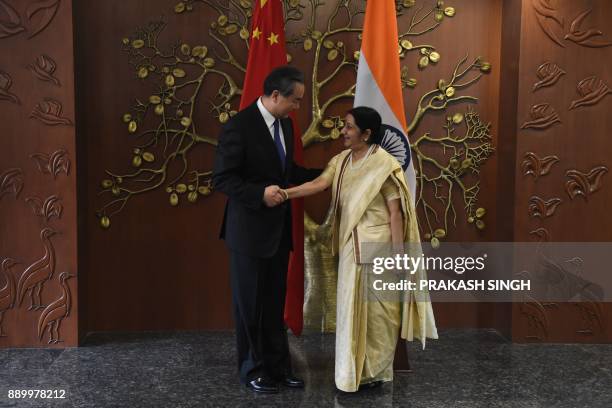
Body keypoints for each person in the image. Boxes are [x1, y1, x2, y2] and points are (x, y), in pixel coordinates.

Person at [281, 106, 438, 392]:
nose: (344, 131)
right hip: (351, 249)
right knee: (350, 310)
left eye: (349, 127)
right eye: (345, 125)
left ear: (366, 134)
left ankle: (374, 374)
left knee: (378, 314)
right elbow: (318, 184)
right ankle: (350, 374)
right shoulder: (341, 161)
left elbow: (395, 214)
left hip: (379, 249)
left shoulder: (384, 164)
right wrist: (285, 193)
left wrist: (399, 256)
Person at [212, 66, 321, 394]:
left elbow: (289, 172)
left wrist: (329, 174)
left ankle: (278, 367)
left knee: (274, 305)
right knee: (250, 306)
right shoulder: (239, 127)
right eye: (295, 100)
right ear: (275, 95)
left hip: (278, 233)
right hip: (248, 234)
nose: (298, 107)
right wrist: (260, 195)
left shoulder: (286, 126)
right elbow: (223, 179)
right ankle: (253, 369)